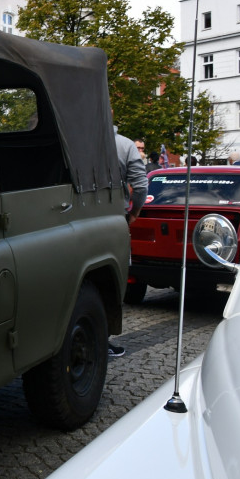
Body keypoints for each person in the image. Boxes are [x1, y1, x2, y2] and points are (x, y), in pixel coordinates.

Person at [112, 123, 147, 358]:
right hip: (114, 217)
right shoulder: (124, 145)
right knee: (114, 276)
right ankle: (104, 336)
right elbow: (141, 185)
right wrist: (135, 212)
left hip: (75, 217)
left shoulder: (73, 139)